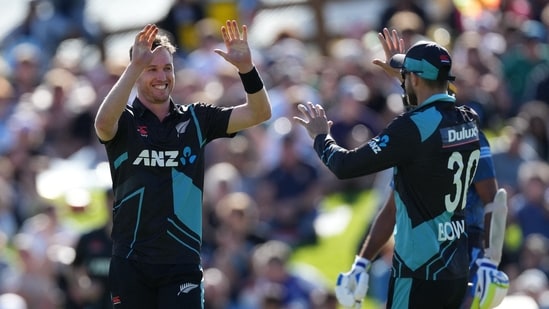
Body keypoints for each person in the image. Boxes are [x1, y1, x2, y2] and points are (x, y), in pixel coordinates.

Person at [295, 28, 481, 308]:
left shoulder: (411, 129)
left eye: (407, 76)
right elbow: (433, 114)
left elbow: (344, 166)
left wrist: (321, 137)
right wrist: (407, 80)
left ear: (415, 79)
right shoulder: (469, 119)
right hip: (455, 267)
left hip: (419, 270)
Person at [93, 20, 271, 308]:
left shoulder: (196, 119)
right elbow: (102, 123)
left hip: (181, 263)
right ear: (137, 73)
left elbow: (259, 112)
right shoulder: (123, 121)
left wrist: (247, 69)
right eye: (151, 69)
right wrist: (133, 66)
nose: (161, 76)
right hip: (131, 263)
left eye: (167, 68)